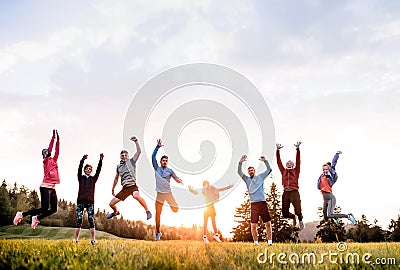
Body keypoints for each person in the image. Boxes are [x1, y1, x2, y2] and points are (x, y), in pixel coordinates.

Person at [13, 129, 60, 229]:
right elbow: (51, 148)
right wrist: (53, 138)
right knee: (44, 208)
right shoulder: (46, 161)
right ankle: (21, 214)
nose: (46, 151)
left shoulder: (54, 160)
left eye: (46, 151)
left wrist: (58, 140)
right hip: (45, 186)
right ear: (44, 155)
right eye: (44, 152)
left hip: (52, 187)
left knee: (54, 209)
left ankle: (37, 218)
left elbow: (57, 151)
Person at [106, 136, 152, 221]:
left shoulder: (132, 161)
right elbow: (116, 179)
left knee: (136, 196)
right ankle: (115, 212)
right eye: (122, 155)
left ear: (128, 156)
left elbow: (139, 152)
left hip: (133, 186)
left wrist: (136, 141)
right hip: (124, 189)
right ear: (120, 157)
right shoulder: (119, 167)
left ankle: (148, 211)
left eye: (125, 155)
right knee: (111, 204)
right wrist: (113, 189)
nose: (123, 156)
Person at [237, 154, 273, 246]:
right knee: (253, 225)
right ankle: (256, 243)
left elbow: (269, 170)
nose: (251, 172)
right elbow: (239, 172)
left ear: (254, 171)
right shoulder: (247, 179)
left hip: (262, 203)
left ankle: (269, 242)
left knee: (268, 223)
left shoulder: (260, 177)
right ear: (248, 173)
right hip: (254, 204)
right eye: (249, 171)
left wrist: (265, 161)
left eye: (252, 170)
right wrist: (240, 162)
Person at [152, 139, 183, 241]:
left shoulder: (170, 171)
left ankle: (175, 204)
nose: (165, 162)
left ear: (167, 162)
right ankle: (158, 233)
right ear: (160, 162)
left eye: (166, 161)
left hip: (168, 194)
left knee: (175, 210)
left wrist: (179, 181)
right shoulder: (157, 168)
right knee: (158, 214)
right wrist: (157, 147)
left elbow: (176, 178)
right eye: (163, 160)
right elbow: (153, 157)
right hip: (160, 194)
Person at [317, 151, 357, 224]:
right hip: (324, 198)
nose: (325, 171)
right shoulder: (321, 176)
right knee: (325, 217)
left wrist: (337, 154)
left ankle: (348, 216)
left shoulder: (330, 175)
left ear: (329, 169)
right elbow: (318, 186)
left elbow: (333, 163)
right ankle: (336, 218)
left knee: (329, 215)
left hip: (330, 197)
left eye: (327, 169)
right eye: (324, 169)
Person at [74, 153, 103, 245]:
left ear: (91, 171)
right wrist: (82, 160)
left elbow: (98, 171)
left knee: (91, 220)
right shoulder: (81, 178)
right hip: (80, 201)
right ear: (84, 170)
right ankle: (76, 239)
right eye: (87, 169)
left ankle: (93, 239)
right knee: (79, 220)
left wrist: (100, 160)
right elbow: (79, 169)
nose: (88, 170)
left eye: (90, 169)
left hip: (90, 202)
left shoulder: (93, 179)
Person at [276, 142, 304, 230]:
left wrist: (298, 149)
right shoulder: (283, 171)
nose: (288, 164)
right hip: (286, 193)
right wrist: (277, 150)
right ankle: (293, 217)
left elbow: (298, 160)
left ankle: (300, 220)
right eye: (287, 163)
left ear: (293, 165)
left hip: (294, 192)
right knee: (284, 213)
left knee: (298, 210)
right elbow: (278, 162)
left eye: (290, 163)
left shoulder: (296, 171)